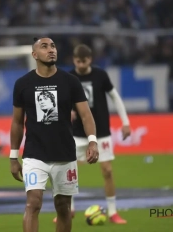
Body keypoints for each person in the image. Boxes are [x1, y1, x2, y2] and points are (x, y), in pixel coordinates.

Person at [10, 37, 99, 232]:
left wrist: (93, 142)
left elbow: (86, 115)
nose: (51, 50)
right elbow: (17, 122)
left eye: (53, 46)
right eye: (44, 47)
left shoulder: (70, 82)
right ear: (34, 54)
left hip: (65, 154)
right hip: (35, 155)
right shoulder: (23, 84)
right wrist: (13, 156)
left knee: (64, 208)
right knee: (33, 203)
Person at [54, 44, 130, 224]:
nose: (81, 64)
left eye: (84, 61)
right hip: (75, 133)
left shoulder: (100, 75)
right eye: (78, 61)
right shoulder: (69, 77)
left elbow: (115, 97)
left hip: (100, 132)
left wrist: (126, 122)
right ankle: (69, 210)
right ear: (74, 60)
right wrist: (67, 112)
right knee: (68, 172)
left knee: (107, 170)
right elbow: (60, 101)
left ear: (90, 59)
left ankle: (112, 212)